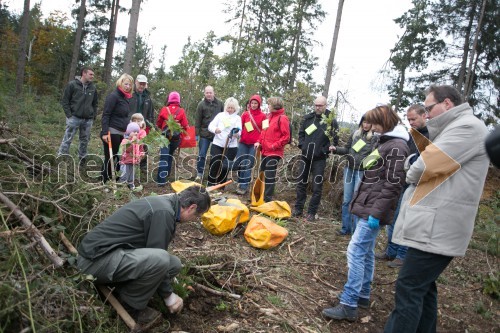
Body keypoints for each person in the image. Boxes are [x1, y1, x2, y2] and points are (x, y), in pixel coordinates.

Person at [384, 85, 489, 332]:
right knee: (424, 287)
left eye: (429, 108)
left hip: (439, 226)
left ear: (448, 104)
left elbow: (423, 167)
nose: (427, 114)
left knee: (409, 287)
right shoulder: (456, 128)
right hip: (433, 226)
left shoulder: (467, 128)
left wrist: (411, 168)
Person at [76, 186, 211, 329]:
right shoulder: (163, 213)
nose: (193, 220)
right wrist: (168, 296)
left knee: (174, 264)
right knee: (161, 259)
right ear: (191, 207)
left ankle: (124, 289)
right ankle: (129, 305)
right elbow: (159, 257)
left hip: (110, 255)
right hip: (94, 262)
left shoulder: (166, 205)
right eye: (197, 216)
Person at [322, 105, 409, 322]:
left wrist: (377, 213)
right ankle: (362, 294)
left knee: (355, 251)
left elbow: (392, 185)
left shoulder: (397, 146)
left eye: (375, 123)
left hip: (374, 209)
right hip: (368, 204)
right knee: (367, 251)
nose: (372, 127)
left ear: (385, 122)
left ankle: (348, 303)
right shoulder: (387, 142)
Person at [376, 104, 429, 268]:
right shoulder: (410, 135)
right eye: (408, 119)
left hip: (417, 185)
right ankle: (390, 251)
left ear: (424, 115)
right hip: (402, 181)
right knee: (394, 217)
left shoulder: (430, 136)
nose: (411, 122)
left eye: (413, 119)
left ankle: (402, 255)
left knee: (406, 219)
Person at [293, 96, 339, 222]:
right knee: (301, 183)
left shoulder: (331, 121)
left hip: (319, 158)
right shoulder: (308, 118)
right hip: (305, 155)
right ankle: (298, 209)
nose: (318, 107)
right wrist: (302, 146)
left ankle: (311, 212)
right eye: (316, 105)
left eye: (320, 105)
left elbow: (334, 141)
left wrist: (324, 150)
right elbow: (301, 133)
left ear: (325, 105)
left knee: (316, 186)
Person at [330, 114, 375, 234]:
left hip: (361, 172)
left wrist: (366, 166)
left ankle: (356, 231)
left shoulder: (374, 138)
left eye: (368, 123)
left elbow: (374, 157)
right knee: (346, 200)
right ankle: (345, 228)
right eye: (364, 122)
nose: (366, 125)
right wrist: (336, 149)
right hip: (349, 169)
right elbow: (346, 149)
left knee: (357, 201)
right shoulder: (355, 134)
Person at [57, 67, 98, 164]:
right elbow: (65, 101)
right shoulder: (72, 85)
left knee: (85, 140)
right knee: (67, 138)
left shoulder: (93, 87)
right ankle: (62, 158)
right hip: (74, 118)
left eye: (93, 75)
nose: (92, 76)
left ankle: (82, 160)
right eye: (90, 74)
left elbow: (95, 103)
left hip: (87, 119)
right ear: (84, 73)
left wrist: (93, 116)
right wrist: (69, 115)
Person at [254, 97, 290, 202]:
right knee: (262, 173)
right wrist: (258, 142)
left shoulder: (282, 118)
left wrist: (274, 145)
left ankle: (267, 199)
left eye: (269, 104)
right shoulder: (268, 117)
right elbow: (263, 132)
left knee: (269, 175)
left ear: (275, 106)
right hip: (264, 150)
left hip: (274, 152)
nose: (267, 106)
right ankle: (259, 195)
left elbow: (286, 137)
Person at [101, 74, 134, 183]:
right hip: (112, 131)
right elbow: (106, 114)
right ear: (120, 83)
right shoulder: (114, 96)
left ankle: (116, 178)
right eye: (125, 84)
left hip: (122, 132)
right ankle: (105, 179)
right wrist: (105, 132)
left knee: (119, 156)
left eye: (129, 84)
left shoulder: (125, 98)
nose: (127, 86)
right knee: (110, 156)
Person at [233, 95, 266, 195]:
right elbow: (240, 126)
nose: (254, 105)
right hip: (243, 142)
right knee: (241, 163)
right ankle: (240, 182)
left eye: (256, 103)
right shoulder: (245, 114)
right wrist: (236, 133)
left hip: (254, 144)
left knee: (248, 164)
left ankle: (244, 186)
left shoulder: (264, 116)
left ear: (259, 104)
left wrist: (259, 141)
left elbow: (265, 130)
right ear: (250, 104)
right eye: (252, 103)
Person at [207, 97, 242, 187]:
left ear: (235, 108)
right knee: (215, 163)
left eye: (232, 108)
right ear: (226, 107)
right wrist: (215, 129)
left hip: (231, 146)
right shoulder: (220, 115)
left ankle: (221, 185)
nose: (230, 110)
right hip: (218, 143)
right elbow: (211, 126)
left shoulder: (238, 118)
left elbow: (239, 131)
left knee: (225, 166)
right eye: (228, 107)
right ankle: (210, 184)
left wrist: (236, 134)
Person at [156, 91, 189, 186]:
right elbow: (185, 126)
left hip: (164, 137)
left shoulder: (164, 109)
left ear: (169, 99)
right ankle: (167, 176)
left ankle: (161, 181)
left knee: (164, 157)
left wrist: (162, 127)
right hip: (176, 138)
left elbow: (158, 122)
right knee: (170, 155)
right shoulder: (181, 111)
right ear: (178, 100)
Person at [194, 86, 224, 181]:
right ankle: (200, 173)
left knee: (215, 155)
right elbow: (198, 120)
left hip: (217, 134)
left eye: (210, 92)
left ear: (213, 93)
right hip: (204, 133)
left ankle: (212, 174)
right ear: (204, 93)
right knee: (202, 154)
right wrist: (197, 134)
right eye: (207, 93)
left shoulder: (220, 104)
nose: (209, 94)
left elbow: (224, 117)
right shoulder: (201, 104)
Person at [128, 74, 154, 171]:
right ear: (136, 82)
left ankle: (143, 165)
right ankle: (129, 163)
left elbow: (151, 113)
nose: (141, 86)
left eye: (143, 84)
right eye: (140, 84)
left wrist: (150, 125)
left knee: (143, 145)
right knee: (130, 143)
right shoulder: (130, 94)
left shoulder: (147, 97)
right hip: (131, 124)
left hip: (143, 125)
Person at [118, 122, 144, 190]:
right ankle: (122, 184)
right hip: (126, 160)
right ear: (129, 132)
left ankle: (131, 184)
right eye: (134, 131)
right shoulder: (125, 140)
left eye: (137, 132)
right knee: (124, 173)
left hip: (134, 161)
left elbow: (141, 149)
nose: (136, 133)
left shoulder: (138, 141)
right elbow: (127, 149)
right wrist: (132, 142)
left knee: (132, 174)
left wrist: (141, 154)